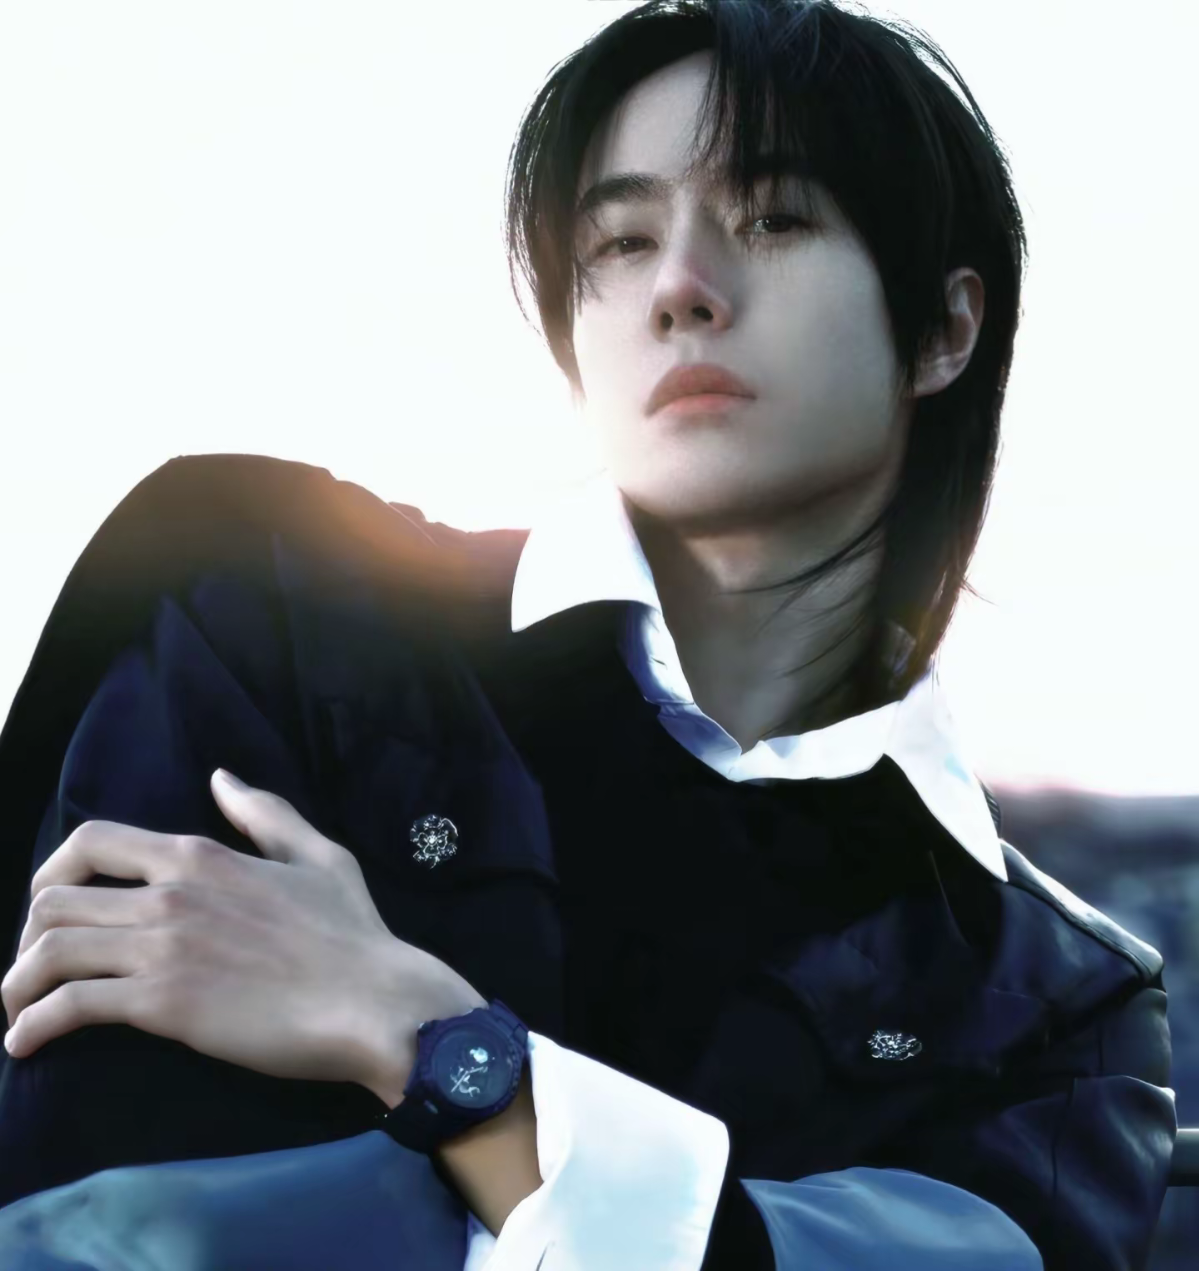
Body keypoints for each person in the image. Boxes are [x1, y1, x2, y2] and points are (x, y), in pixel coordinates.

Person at [0, 2, 1178, 1268]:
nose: (679, 288)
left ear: (944, 330)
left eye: (773, 218)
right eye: (620, 240)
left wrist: (435, 1046)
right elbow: (108, 1216)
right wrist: (679, 1213)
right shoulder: (268, 602)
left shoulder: (1062, 1003)